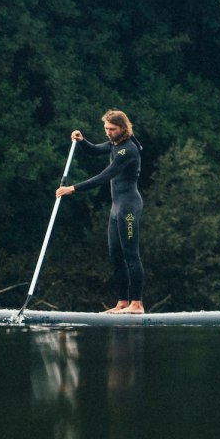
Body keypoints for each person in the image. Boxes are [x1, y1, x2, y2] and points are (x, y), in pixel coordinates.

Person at [55, 110, 144, 313]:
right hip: (116, 208)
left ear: (122, 128)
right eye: (105, 129)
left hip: (129, 207)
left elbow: (106, 175)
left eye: (112, 129)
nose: (108, 133)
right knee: (115, 255)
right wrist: (82, 141)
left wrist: (73, 188)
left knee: (131, 254)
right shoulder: (115, 144)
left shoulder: (127, 150)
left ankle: (136, 304)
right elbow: (94, 150)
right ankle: (122, 302)